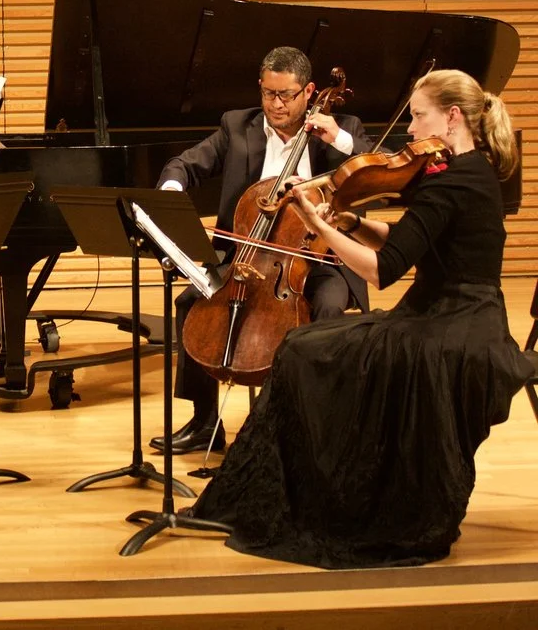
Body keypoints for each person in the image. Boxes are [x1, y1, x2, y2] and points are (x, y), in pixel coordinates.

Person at [188, 69, 536, 568]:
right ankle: (318, 493)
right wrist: (348, 221)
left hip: (449, 328)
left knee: (305, 350)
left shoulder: (451, 180)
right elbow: (406, 240)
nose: (410, 131)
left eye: (418, 117)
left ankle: (323, 500)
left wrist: (315, 226)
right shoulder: (467, 171)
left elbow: (381, 272)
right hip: (459, 314)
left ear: (452, 116)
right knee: (310, 346)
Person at [151, 46, 373, 455]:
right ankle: (204, 423)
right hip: (249, 253)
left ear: (309, 91)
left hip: (317, 258)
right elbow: (184, 163)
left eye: (285, 95)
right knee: (190, 302)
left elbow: (373, 170)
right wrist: (172, 187)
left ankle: (311, 424)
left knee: (325, 309)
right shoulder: (238, 126)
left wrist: (339, 139)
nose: (275, 104)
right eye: (268, 93)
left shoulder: (342, 129)